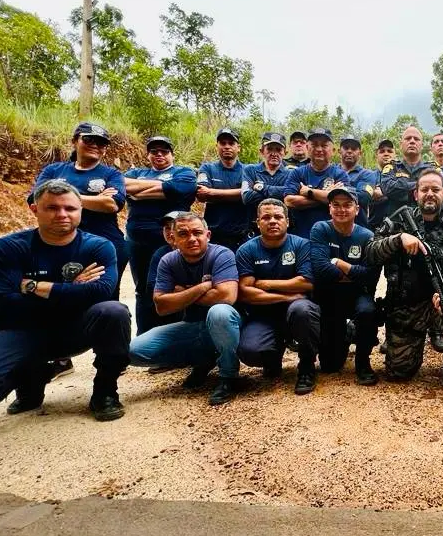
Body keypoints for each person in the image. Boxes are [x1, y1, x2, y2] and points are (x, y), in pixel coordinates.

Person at [0, 180, 131, 421]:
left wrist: (32, 286)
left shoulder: (98, 246)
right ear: (35, 209)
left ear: (81, 210)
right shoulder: (7, 248)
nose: (62, 214)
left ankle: (105, 392)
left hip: (77, 329)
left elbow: (101, 292)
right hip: (22, 331)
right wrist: (71, 290)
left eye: (70, 208)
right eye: (52, 208)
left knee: (113, 312)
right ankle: (32, 378)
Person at [367, 168, 443, 397]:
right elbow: (370, 252)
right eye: (425, 189)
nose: (430, 194)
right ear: (415, 194)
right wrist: (398, 240)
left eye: (436, 189)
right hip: (407, 306)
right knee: (399, 373)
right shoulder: (398, 221)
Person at [129, 213, 242, 406]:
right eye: (183, 234)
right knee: (133, 351)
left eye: (197, 233)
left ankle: (228, 375)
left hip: (226, 324)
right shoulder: (168, 261)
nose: (191, 238)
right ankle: (203, 360)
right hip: (191, 325)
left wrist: (182, 292)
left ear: (208, 235)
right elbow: (162, 306)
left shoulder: (221, 254)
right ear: (173, 238)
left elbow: (226, 296)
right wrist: (203, 287)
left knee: (219, 312)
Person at [32, 122, 127, 300]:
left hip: (105, 244)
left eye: (101, 143)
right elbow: (37, 201)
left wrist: (60, 197)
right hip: (58, 244)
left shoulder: (112, 174)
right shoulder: (53, 170)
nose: (95, 145)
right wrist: (93, 199)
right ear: (74, 141)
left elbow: (112, 204)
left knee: (104, 299)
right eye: (88, 139)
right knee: (58, 294)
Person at [235, 199, 321, 395]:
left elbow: (306, 283)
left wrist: (266, 284)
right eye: (266, 217)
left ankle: (306, 367)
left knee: (302, 309)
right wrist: (286, 297)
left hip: (298, 312)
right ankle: (273, 356)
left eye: (278, 217)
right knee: (250, 351)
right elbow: (245, 292)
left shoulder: (302, 245)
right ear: (257, 222)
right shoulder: (246, 250)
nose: (272, 221)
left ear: (287, 221)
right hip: (264, 315)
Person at [124, 136, 197, 335]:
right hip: (137, 240)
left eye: (164, 151)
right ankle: (145, 336)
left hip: (173, 240)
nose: (159, 155)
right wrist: (162, 189)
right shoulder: (135, 172)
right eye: (154, 151)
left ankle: (174, 337)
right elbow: (123, 186)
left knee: (175, 287)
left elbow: (181, 189)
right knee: (142, 289)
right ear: (148, 155)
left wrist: (139, 192)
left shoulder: (184, 172)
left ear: (172, 154)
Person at [309, 187, 380, 385]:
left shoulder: (367, 236)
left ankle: (363, 362)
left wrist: (339, 263)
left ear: (357, 209)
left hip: (358, 295)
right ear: (329, 208)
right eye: (336, 205)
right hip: (329, 296)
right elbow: (320, 270)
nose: (342, 209)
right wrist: (355, 272)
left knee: (368, 311)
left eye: (347, 205)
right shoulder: (320, 229)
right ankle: (347, 332)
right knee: (330, 366)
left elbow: (371, 277)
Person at [283, 128, 349, 238]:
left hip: (333, 237)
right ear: (308, 148)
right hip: (300, 238)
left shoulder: (340, 175)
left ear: (332, 150)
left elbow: (342, 201)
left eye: (324, 145)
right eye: (314, 145)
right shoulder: (297, 173)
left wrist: (309, 192)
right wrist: (327, 196)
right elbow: (289, 201)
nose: (319, 149)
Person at [196, 127, 249, 252]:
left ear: (238, 148)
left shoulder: (248, 170)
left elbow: (249, 194)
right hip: (215, 234)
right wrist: (238, 193)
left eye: (231, 143)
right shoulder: (207, 168)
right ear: (217, 146)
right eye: (223, 143)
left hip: (242, 235)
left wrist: (212, 192)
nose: (227, 146)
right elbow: (201, 195)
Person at [242, 131, 292, 239]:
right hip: (254, 232)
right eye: (269, 149)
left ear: (285, 152)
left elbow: (291, 195)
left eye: (278, 150)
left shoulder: (291, 174)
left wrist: (263, 188)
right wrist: (280, 193)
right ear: (262, 151)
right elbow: (247, 197)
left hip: (283, 233)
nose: (274, 153)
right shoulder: (250, 170)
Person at [378, 125, 439, 214]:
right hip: (397, 224)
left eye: (416, 139)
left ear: (422, 145)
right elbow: (388, 189)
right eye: (408, 138)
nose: (412, 141)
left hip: (427, 222)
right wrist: (423, 186)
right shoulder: (390, 167)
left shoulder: (433, 168)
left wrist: (402, 188)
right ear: (401, 144)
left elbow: (439, 190)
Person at [337, 134, 378, 227]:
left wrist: (335, 190)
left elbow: (363, 197)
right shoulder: (331, 171)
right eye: (346, 148)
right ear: (339, 151)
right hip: (330, 228)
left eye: (354, 149)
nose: (349, 151)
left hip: (358, 229)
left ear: (360, 153)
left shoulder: (368, 174)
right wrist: (353, 190)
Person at [368, 138, 395, 230]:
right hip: (374, 228)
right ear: (377, 155)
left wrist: (382, 193)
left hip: (397, 228)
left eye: (389, 151)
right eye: (382, 151)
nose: (386, 154)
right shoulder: (369, 176)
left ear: (395, 154)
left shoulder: (401, 175)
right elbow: (366, 194)